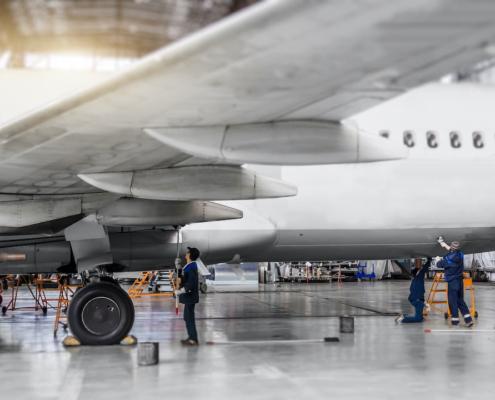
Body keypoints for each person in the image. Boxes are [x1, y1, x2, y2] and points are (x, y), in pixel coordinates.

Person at [436, 238, 474, 327]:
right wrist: (443, 243)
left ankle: (455, 322)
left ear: (453, 248)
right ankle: (468, 320)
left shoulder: (448, 258)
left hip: (452, 282)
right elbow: (452, 250)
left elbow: (439, 265)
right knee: (460, 300)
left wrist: (437, 260)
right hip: (460, 281)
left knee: (453, 301)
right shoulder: (460, 255)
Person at [175, 246, 200, 345]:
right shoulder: (189, 266)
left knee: (189, 317)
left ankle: (193, 339)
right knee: (187, 317)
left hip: (190, 297)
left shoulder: (192, 267)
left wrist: (181, 290)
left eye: (187, 252)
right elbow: (182, 276)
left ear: (189, 255)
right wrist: (177, 267)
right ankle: (191, 337)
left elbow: (191, 282)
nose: (186, 254)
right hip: (189, 297)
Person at [395, 258, 431, 323]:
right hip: (418, 301)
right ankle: (403, 319)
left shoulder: (414, 280)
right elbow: (424, 270)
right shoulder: (419, 277)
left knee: (419, 317)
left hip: (414, 300)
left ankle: (420, 316)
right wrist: (429, 261)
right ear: (417, 273)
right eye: (419, 271)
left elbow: (412, 289)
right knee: (417, 319)